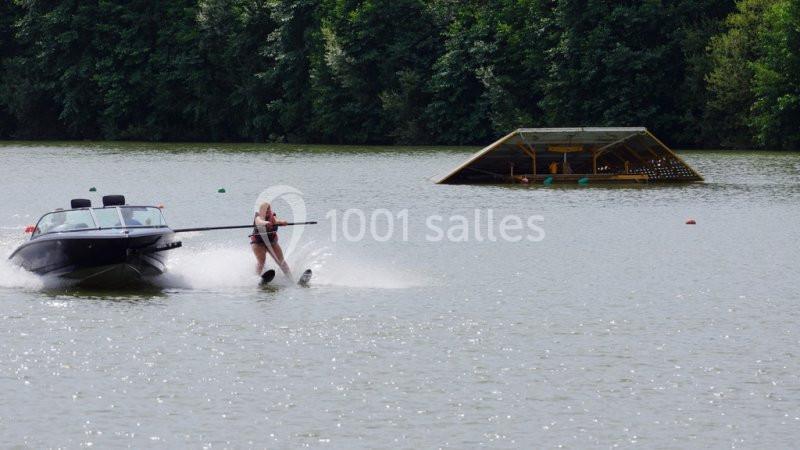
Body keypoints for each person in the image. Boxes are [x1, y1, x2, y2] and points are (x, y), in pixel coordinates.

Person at [251, 202, 292, 278]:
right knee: (261, 261)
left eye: (268, 210)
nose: (266, 212)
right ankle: (256, 279)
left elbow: (277, 221)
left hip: (271, 242)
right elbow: (259, 222)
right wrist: (265, 223)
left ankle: (291, 279)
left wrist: (283, 222)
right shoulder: (258, 217)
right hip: (258, 243)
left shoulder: (272, 216)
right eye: (264, 210)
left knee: (281, 261)